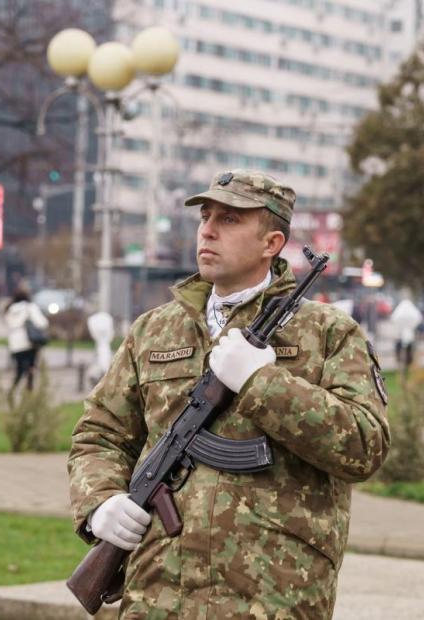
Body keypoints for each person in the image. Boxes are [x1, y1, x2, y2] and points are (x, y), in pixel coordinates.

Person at [67, 169, 391, 618]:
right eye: (205, 217)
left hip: (272, 598)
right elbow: (99, 434)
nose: (208, 230)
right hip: (158, 599)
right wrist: (100, 500)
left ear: (271, 243)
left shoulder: (328, 332)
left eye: (230, 219)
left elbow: (365, 445)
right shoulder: (154, 330)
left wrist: (263, 383)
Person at [4, 289, 49, 392]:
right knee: (31, 369)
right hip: (29, 343)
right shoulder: (29, 307)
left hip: (14, 344)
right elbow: (42, 323)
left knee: (19, 370)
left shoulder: (10, 310)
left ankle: (12, 391)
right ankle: (29, 392)